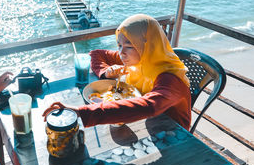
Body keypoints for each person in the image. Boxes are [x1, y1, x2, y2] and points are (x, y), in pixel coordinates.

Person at [43, 14, 192, 130]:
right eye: (119, 45)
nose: (121, 53)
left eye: (130, 45)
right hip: (145, 122)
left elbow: (149, 106)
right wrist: (107, 72)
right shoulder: (137, 60)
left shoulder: (170, 78)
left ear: (148, 45)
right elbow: (96, 53)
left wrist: (82, 113)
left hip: (173, 133)